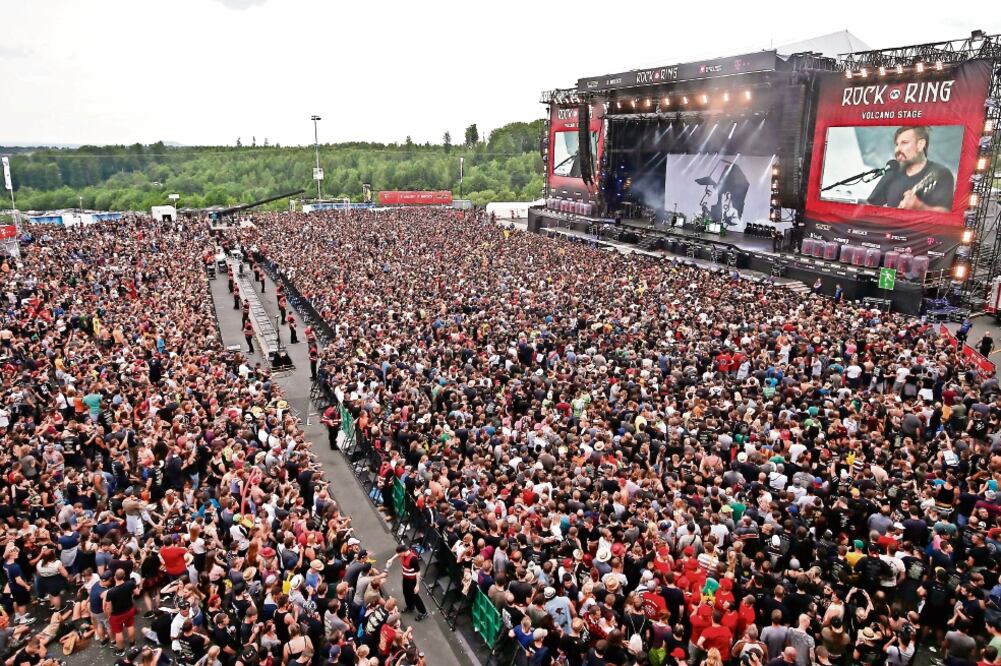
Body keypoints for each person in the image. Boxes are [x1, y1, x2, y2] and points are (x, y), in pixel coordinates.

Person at [867, 126, 955, 211]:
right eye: (897, 144)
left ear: (920, 145)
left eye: (904, 143)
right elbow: (870, 206)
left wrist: (920, 206)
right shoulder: (893, 170)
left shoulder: (941, 173)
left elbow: (945, 214)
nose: (897, 149)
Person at [386, 545, 428, 621]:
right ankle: (410, 607)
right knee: (406, 592)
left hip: (412, 580)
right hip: (406, 577)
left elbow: (418, 572)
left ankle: (423, 612)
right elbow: (397, 554)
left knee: (415, 596)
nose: (398, 555)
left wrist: (417, 585)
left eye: (399, 553)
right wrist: (391, 559)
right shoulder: (403, 553)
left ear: (403, 552)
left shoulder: (413, 559)